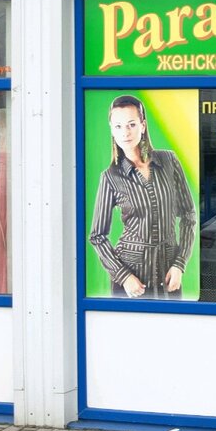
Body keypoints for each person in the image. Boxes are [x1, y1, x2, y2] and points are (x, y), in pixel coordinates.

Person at [89, 95, 197, 299]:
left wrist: (179, 264)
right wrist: (124, 276)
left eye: (131, 124)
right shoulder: (110, 177)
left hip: (169, 273)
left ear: (143, 125)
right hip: (131, 277)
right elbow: (97, 236)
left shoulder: (169, 160)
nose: (125, 133)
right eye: (118, 126)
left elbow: (189, 215)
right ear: (112, 130)